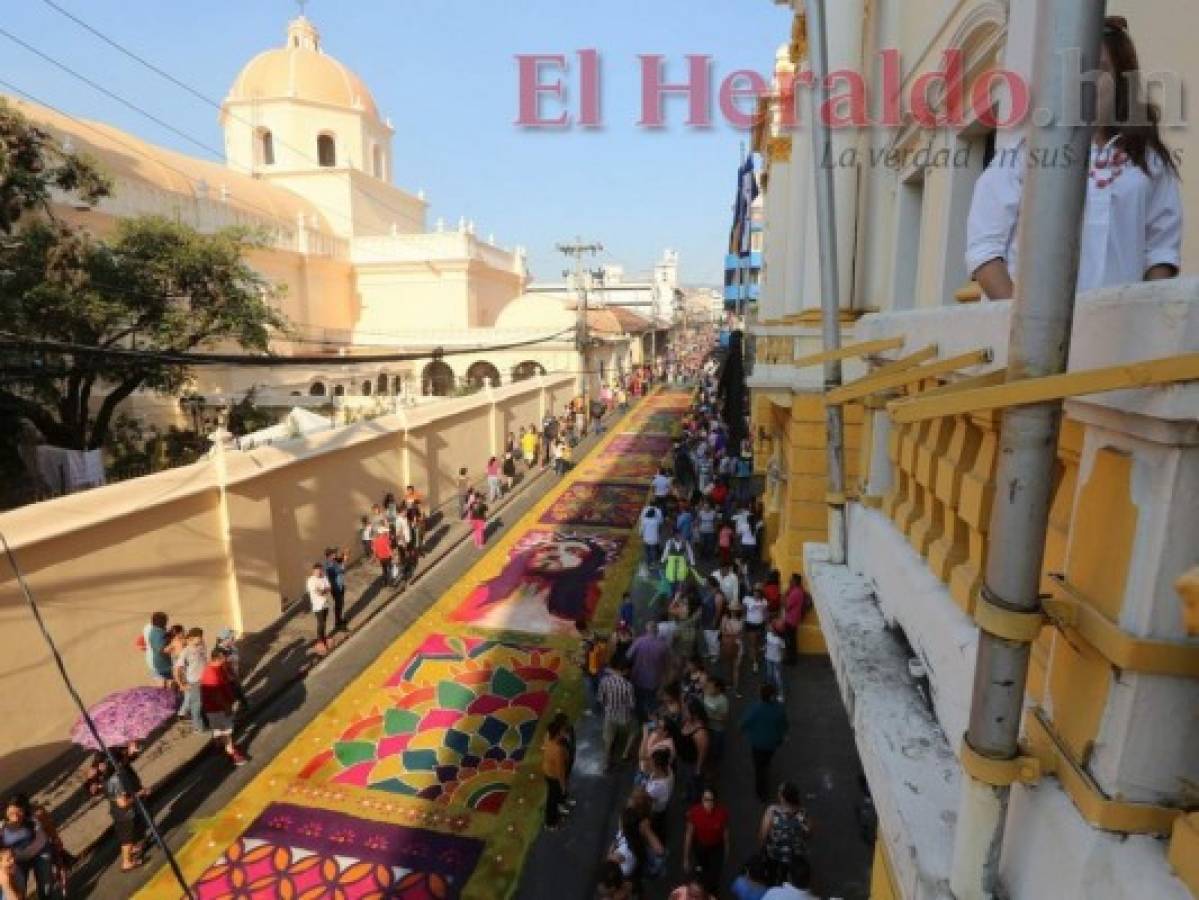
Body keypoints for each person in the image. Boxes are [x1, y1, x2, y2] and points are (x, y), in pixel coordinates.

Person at [966, 17, 1182, 302]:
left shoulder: (1148, 161)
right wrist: (1026, 329)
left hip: (1117, 335)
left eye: (1099, 68)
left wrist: (1148, 319)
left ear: (1121, 80)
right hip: (1032, 336)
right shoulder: (1023, 155)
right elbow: (985, 251)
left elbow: (1160, 249)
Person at [1, 796, 60, 897]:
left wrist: (56, 840)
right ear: (6, 811)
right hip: (17, 859)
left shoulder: (35, 815)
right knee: (19, 887)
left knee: (45, 883)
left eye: (19, 811)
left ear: (25, 810)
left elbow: (48, 824)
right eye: (11, 812)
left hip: (40, 852)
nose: (16, 816)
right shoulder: (1, 826)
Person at [741, 683, 789, 802]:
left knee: (758, 768)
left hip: (757, 744)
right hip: (772, 743)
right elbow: (784, 725)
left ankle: (761, 792)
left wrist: (748, 731)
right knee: (766, 760)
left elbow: (745, 723)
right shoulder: (779, 709)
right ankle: (765, 767)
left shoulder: (755, 708)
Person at [201, 646, 248, 766]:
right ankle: (233, 753)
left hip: (215, 708)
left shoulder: (217, 668)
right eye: (225, 656)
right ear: (220, 658)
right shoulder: (211, 673)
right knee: (226, 731)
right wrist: (226, 707)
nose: (227, 658)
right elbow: (216, 694)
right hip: (218, 709)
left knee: (217, 728)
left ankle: (217, 746)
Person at [103, 748, 147, 874]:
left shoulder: (112, 777)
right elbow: (123, 803)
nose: (126, 758)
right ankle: (127, 862)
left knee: (129, 835)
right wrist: (139, 794)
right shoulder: (115, 780)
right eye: (123, 757)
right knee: (126, 839)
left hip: (121, 814)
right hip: (125, 815)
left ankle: (132, 849)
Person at [759, 783, 810, 887]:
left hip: (774, 853)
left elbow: (763, 835)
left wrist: (762, 847)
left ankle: (772, 887)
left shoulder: (772, 811)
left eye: (779, 792)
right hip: (793, 855)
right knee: (787, 874)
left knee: (772, 873)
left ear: (783, 798)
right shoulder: (802, 813)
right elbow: (809, 832)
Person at [683, 787, 730, 895]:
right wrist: (686, 858)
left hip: (716, 848)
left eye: (711, 800)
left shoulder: (722, 813)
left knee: (714, 874)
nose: (708, 803)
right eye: (705, 799)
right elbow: (689, 835)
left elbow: (725, 833)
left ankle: (712, 892)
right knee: (700, 870)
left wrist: (726, 849)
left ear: (715, 801)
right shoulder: (694, 812)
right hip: (701, 847)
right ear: (701, 799)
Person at [598, 659, 637, 770]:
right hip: (624, 717)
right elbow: (632, 704)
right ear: (625, 671)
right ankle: (625, 753)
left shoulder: (604, 681)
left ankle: (606, 762)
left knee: (608, 739)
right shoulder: (628, 686)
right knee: (635, 730)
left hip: (609, 715)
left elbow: (601, 699)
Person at [626, 621, 671, 720]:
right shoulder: (664, 645)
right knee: (652, 704)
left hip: (638, 678)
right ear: (657, 631)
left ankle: (641, 721)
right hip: (654, 682)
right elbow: (667, 665)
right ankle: (652, 723)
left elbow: (628, 656)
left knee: (638, 702)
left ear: (646, 630)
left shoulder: (639, 641)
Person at [175, 627, 208, 731]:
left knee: (204, 703)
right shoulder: (186, 652)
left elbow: (204, 661)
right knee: (196, 705)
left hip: (204, 679)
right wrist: (181, 684)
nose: (201, 639)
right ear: (192, 638)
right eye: (199, 637)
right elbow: (177, 669)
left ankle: (205, 722)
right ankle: (198, 728)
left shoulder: (202, 646)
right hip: (194, 681)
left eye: (201, 637)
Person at [541, 717, 569, 832]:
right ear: (558, 733)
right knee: (552, 800)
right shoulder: (558, 750)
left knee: (553, 797)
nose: (565, 731)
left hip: (548, 771)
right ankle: (550, 823)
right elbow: (560, 771)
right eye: (563, 730)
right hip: (553, 776)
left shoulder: (548, 738)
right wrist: (563, 786)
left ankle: (557, 810)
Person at [701, 675, 729, 764]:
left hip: (717, 729)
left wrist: (710, 717)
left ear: (718, 688)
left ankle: (716, 761)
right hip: (707, 726)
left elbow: (724, 719)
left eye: (710, 687)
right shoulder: (706, 693)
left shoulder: (723, 701)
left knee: (717, 747)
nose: (708, 689)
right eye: (707, 686)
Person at [783, 574, 809, 665]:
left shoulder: (795, 593)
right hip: (795, 618)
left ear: (795, 581)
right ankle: (792, 658)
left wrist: (785, 595)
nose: (790, 581)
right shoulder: (800, 591)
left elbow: (786, 607)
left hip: (790, 619)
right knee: (792, 639)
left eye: (791, 580)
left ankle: (790, 659)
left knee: (789, 640)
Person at [307, 562, 332, 654]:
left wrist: (323, 590)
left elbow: (329, 588)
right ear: (314, 571)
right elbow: (318, 592)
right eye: (317, 571)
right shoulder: (311, 580)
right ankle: (319, 641)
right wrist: (324, 590)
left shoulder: (324, 577)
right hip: (317, 605)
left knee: (324, 622)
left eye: (320, 570)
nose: (319, 572)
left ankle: (324, 637)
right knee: (320, 623)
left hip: (325, 603)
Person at [743, 585, 769, 673]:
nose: (756, 593)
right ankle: (755, 663)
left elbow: (765, 613)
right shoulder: (747, 599)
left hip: (760, 625)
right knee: (753, 643)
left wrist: (767, 624)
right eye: (755, 591)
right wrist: (743, 621)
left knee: (757, 642)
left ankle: (754, 655)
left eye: (758, 591)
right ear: (752, 591)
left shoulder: (764, 601)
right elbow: (744, 611)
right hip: (750, 624)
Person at [143, 612, 172, 688]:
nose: (167, 622)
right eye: (166, 621)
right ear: (163, 622)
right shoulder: (158, 633)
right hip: (164, 664)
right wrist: (173, 646)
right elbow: (160, 649)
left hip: (160, 663)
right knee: (168, 683)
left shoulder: (155, 630)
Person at [324, 546, 348, 633]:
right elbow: (342, 570)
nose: (335, 554)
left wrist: (344, 555)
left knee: (340, 604)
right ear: (329, 555)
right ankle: (338, 624)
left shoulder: (332, 561)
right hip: (336, 587)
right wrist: (344, 561)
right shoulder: (330, 564)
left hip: (339, 586)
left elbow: (340, 559)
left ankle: (340, 619)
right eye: (334, 553)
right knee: (338, 605)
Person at [765, 620, 787, 701]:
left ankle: (781, 694)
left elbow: (783, 650)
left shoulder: (780, 640)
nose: (770, 627)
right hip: (768, 658)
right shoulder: (768, 635)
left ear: (775, 630)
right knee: (769, 676)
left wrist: (781, 658)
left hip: (776, 660)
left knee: (777, 677)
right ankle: (770, 692)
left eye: (772, 626)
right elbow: (767, 644)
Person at [639, 505, 664, 571]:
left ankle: (648, 563)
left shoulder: (645, 520)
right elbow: (660, 527)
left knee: (647, 551)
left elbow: (641, 529)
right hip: (654, 539)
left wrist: (640, 534)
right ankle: (654, 563)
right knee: (653, 551)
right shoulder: (656, 521)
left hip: (646, 539)